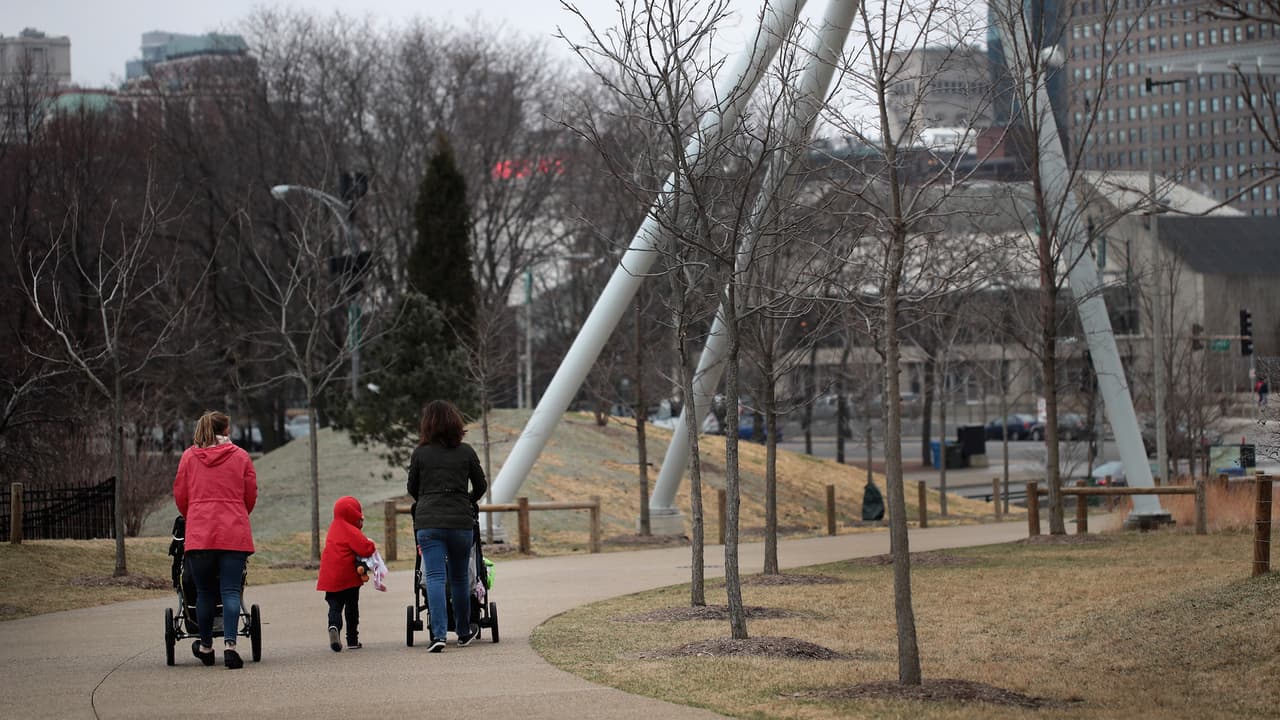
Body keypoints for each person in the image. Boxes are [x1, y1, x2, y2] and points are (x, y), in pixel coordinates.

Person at [173, 410, 257, 669]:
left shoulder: (189, 457)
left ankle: (206, 646)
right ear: (227, 430)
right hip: (233, 532)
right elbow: (250, 495)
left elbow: (181, 496)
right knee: (231, 590)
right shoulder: (241, 457)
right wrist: (238, 513)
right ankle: (230, 645)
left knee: (205, 593)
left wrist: (197, 514)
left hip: (200, 535)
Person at [407, 400, 487, 652]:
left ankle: (438, 634)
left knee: (434, 577)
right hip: (460, 521)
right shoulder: (466, 452)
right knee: (461, 577)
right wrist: (466, 500)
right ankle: (463, 631)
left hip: (429, 522)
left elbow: (412, 488)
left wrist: (428, 500)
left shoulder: (420, 454)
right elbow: (481, 485)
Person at [317, 496, 376, 652]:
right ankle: (352, 640)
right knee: (351, 607)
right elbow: (365, 549)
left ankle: (333, 626)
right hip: (348, 575)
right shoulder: (350, 530)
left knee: (334, 606)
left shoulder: (333, 528)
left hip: (330, 576)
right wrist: (371, 543)